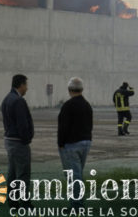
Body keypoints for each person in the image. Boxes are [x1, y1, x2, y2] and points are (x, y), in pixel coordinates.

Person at [58, 77, 93, 209]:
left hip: (71, 145)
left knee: (74, 177)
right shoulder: (87, 105)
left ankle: (77, 205)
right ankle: (76, 203)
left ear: (69, 90)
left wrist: (60, 144)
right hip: (85, 142)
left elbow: (63, 127)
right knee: (78, 174)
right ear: (82, 89)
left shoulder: (68, 106)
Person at [1, 74, 34, 209]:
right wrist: (26, 139)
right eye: (26, 85)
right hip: (19, 142)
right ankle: (24, 203)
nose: (27, 88)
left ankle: (13, 202)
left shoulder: (6, 99)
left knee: (12, 173)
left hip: (9, 141)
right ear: (20, 85)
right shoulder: (19, 101)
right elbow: (22, 124)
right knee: (23, 174)